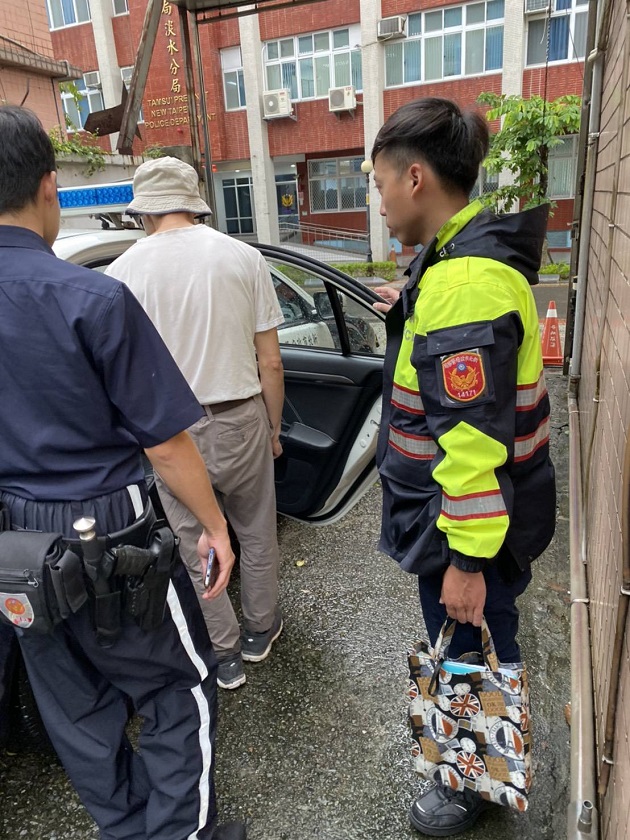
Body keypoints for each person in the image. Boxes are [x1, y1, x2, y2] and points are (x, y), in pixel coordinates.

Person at [0, 105, 245, 840]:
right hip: (109, 530)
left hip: (14, 542)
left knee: (73, 702)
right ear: (49, 186)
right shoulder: (92, 297)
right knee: (177, 685)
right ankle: (182, 832)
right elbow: (167, 444)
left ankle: (130, 829)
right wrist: (214, 527)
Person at [370, 97, 556, 836]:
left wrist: (467, 563)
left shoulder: (463, 286)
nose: (378, 201)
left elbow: (472, 443)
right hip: (468, 524)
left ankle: (474, 787)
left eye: (379, 183)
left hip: (465, 531)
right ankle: (474, 767)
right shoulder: (454, 266)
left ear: (415, 177)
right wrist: (413, 309)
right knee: (475, 642)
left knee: (475, 644)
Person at [106, 157, 285, 691]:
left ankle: (224, 654)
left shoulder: (121, 274)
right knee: (255, 532)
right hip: (241, 416)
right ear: (194, 201)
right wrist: (273, 428)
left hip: (171, 436)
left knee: (197, 541)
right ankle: (260, 629)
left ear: (144, 212)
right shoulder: (242, 257)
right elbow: (271, 362)